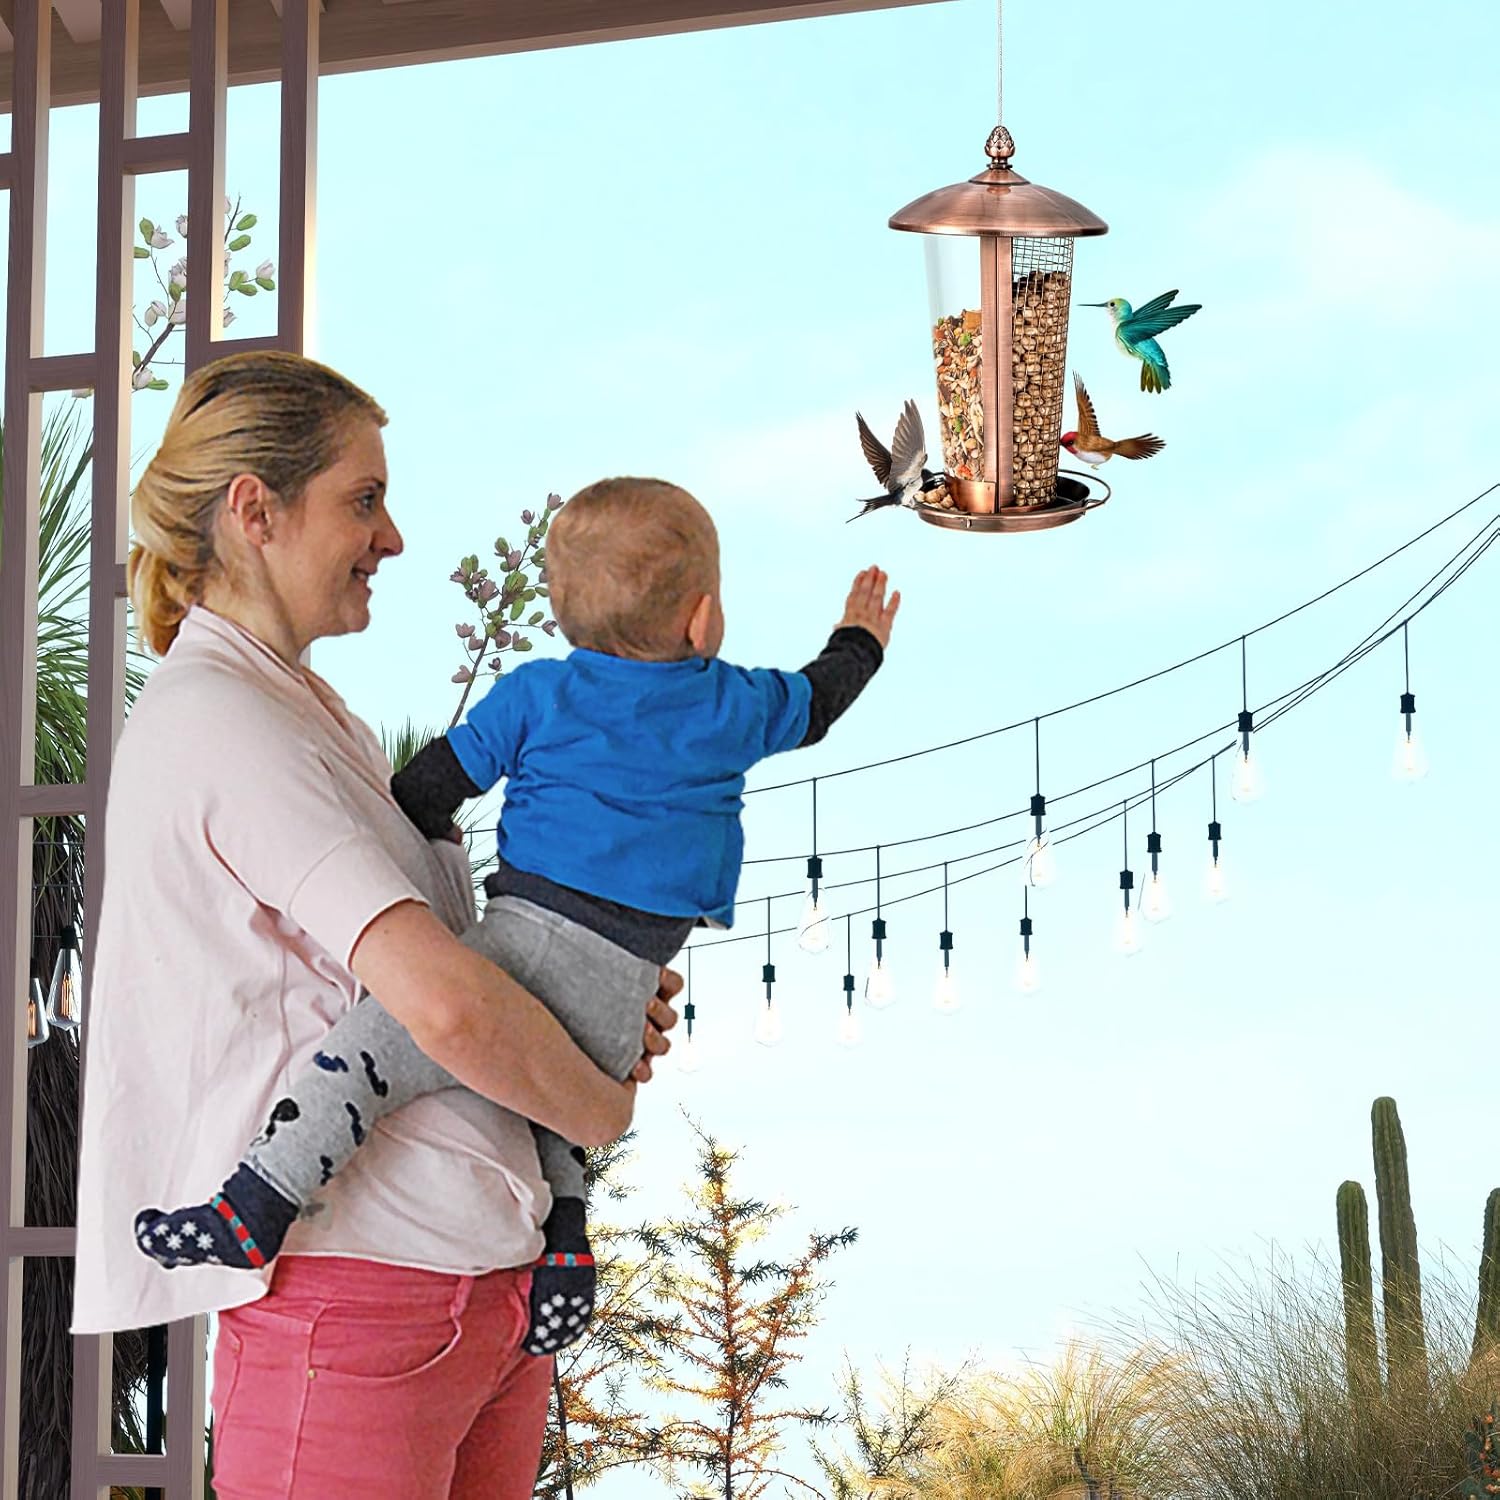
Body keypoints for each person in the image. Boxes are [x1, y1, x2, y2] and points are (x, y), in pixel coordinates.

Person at [71, 351, 677, 1500]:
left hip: (466, 1294)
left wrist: (584, 997)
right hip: (358, 1300)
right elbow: (441, 1004)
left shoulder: (319, 722)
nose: (391, 537)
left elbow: (477, 982)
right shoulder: (220, 719)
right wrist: (597, 1102)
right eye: (363, 499)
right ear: (256, 510)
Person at [134, 478, 901, 1361]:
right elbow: (819, 702)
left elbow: (433, 783)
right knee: (548, 1094)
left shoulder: (538, 694)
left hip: (527, 934)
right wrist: (861, 638)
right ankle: (567, 1247)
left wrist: (416, 842)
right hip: (635, 974)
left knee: (367, 1056)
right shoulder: (732, 705)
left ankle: (256, 1203)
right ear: (701, 621)